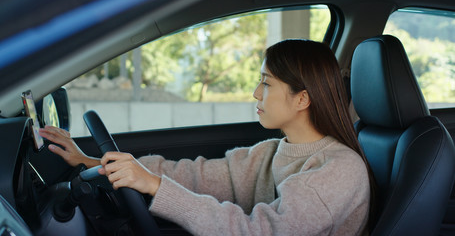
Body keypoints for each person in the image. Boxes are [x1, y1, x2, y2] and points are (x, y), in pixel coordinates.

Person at [39, 39, 374, 236]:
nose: (256, 93)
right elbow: (193, 174)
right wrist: (94, 163)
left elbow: (256, 231)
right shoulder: (271, 153)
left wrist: (156, 188)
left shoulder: (338, 170)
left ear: (302, 99)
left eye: (267, 83)